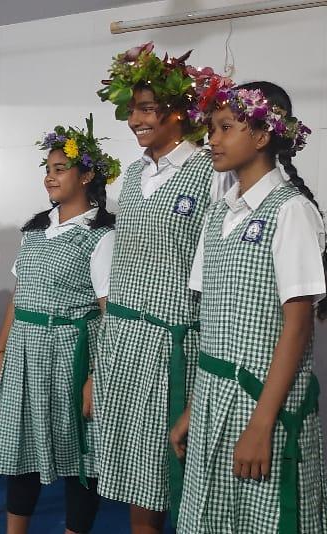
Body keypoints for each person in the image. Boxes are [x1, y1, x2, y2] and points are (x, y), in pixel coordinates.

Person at [173, 81, 327, 534]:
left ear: (264, 135)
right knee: (212, 517)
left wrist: (262, 424)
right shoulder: (218, 215)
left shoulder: (290, 211)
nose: (213, 139)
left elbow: (297, 326)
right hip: (214, 399)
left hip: (261, 403)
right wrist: (194, 408)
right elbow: (213, 324)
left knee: (263, 517)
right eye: (211, 128)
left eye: (226, 127)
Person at [93, 42, 233, 533]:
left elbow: (217, 268)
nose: (136, 119)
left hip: (174, 342)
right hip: (124, 338)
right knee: (138, 473)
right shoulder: (133, 174)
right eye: (133, 110)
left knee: (181, 469)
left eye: (148, 108)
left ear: (180, 111)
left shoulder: (210, 171)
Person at [0, 116, 118, 534]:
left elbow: (108, 311)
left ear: (87, 175)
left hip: (71, 353)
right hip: (25, 350)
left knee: (79, 452)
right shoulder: (35, 230)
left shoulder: (101, 234)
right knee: (20, 445)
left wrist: (96, 376)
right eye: (47, 169)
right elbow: (19, 294)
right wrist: (1, 348)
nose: (50, 176)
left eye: (60, 168)